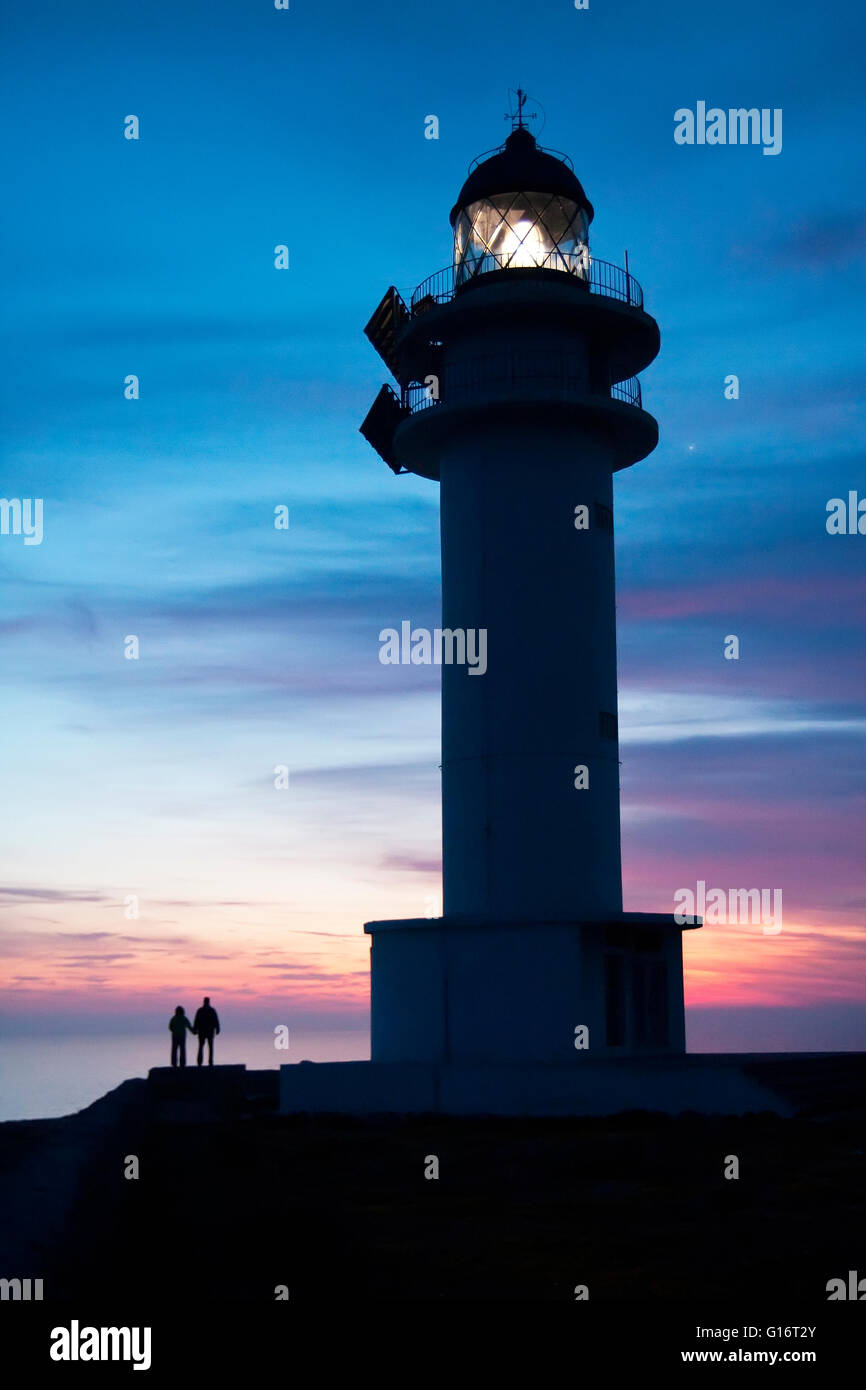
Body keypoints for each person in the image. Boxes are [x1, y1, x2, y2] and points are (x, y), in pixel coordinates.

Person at [193, 996, 220, 1067]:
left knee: (202, 1047)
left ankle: (200, 1062)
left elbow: (196, 1020)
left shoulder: (200, 1010)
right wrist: (217, 1028)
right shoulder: (211, 1010)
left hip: (203, 1031)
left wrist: (195, 1029)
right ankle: (209, 1062)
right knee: (209, 1047)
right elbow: (216, 1020)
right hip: (209, 1031)